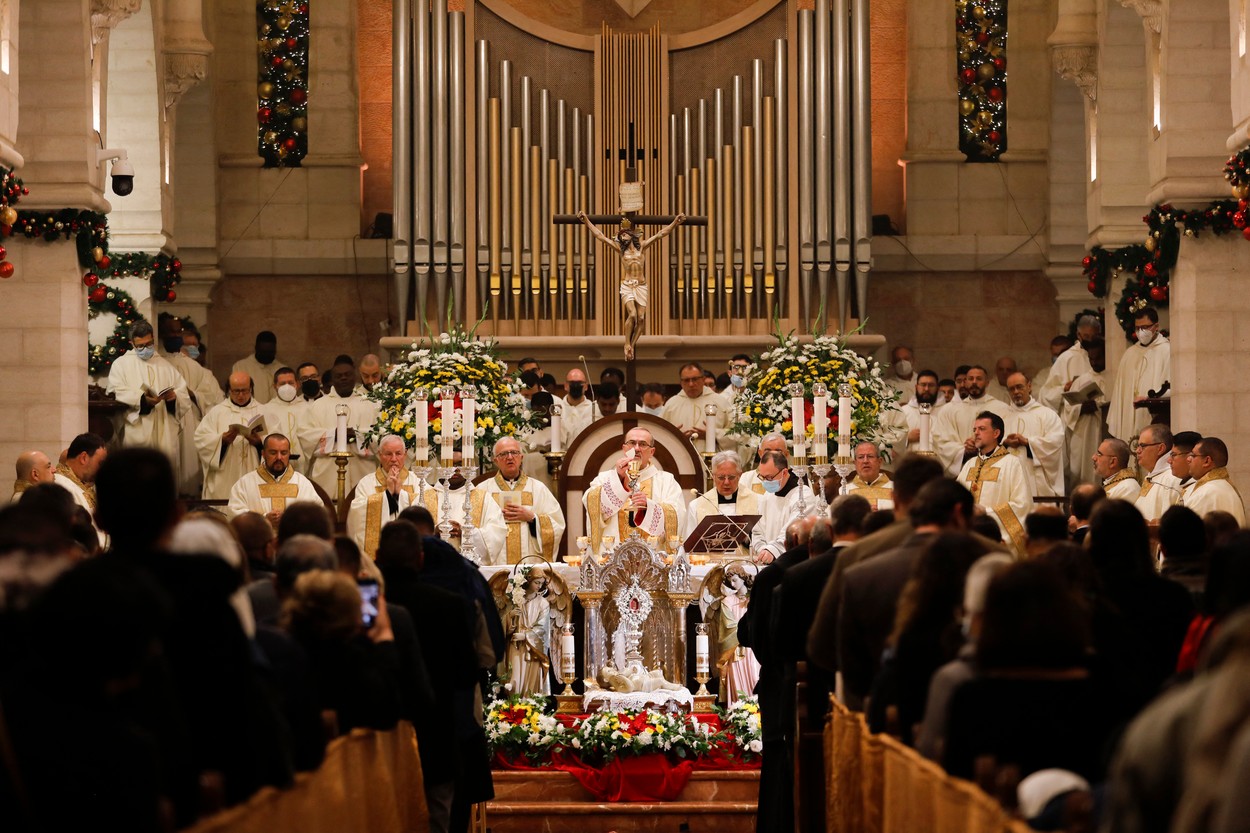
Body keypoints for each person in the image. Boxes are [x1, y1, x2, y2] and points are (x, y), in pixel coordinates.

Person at [837, 478, 985, 709]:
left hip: (887, 707)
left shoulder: (860, 574)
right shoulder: (991, 564)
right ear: (958, 514)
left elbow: (840, 658)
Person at [577, 209, 685, 360]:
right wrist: (586, 221)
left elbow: (661, 234)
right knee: (632, 314)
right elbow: (600, 236)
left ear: (631, 235)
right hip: (627, 285)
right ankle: (626, 342)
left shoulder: (643, 246)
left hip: (641, 285)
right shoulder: (621, 251)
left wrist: (675, 223)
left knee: (641, 318)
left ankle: (631, 346)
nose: (622, 237)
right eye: (621, 236)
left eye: (624, 234)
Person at [106, 319, 192, 478]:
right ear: (132, 343)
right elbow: (114, 392)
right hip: (136, 429)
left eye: (149, 344)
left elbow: (183, 394)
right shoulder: (121, 365)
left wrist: (173, 399)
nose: (146, 349)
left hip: (163, 430)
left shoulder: (165, 366)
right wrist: (142, 400)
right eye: (140, 346)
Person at [583, 426, 685, 553]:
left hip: (654, 559)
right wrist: (619, 480)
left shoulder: (667, 481)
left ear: (652, 452)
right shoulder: (605, 478)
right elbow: (592, 506)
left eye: (642, 444)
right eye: (632, 443)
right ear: (624, 448)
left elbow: (677, 515)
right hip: (612, 556)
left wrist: (648, 507)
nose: (636, 448)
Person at [299, 355, 381, 496]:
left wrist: (357, 434)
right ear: (332, 379)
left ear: (355, 377)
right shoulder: (318, 406)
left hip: (362, 472)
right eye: (339, 376)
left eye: (347, 375)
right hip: (327, 475)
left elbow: (381, 436)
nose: (343, 378)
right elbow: (305, 436)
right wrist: (333, 435)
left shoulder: (370, 405)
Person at [1039, 315, 1106, 484]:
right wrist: (1064, 389)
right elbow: (1045, 395)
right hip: (1078, 425)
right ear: (1078, 334)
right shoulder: (1066, 358)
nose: (1089, 340)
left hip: (1101, 423)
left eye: (1093, 336)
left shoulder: (1107, 354)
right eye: (1086, 336)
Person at [475, 436, 565, 563]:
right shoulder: (483, 490)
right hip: (496, 565)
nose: (510, 457)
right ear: (496, 460)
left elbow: (557, 525)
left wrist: (532, 518)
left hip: (529, 564)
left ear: (521, 457)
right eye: (503, 454)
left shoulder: (538, 489)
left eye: (514, 452)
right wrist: (496, 519)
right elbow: (473, 530)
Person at [957, 411, 1033, 555]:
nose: (976, 433)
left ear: (996, 433)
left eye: (982, 429)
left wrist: (986, 512)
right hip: (968, 538)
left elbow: (1022, 505)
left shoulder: (1012, 464)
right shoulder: (969, 464)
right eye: (974, 429)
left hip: (995, 540)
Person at [346, 433, 428, 559]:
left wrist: (400, 493)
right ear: (380, 455)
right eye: (388, 454)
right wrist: (388, 494)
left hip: (410, 550)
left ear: (405, 454)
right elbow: (357, 513)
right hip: (378, 551)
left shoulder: (418, 481)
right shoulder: (366, 483)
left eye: (398, 453)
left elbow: (427, 507)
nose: (394, 459)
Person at [423, 452, 509, 563]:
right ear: (442, 467)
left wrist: (465, 533)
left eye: (460, 464)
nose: (455, 469)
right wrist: (434, 531)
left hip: (470, 567)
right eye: (450, 464)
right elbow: (413, 531)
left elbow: (496, 531)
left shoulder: (483, 497)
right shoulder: (425, 497)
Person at [194, 372, 266, 500]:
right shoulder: (216, 412)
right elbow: (201, 439)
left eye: (244, 390)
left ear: (251, 389)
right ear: (228, 390)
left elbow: (277, 441)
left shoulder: (264, 411)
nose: (241, 395)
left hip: (254, 471)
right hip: (225, 477)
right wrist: (222, 441)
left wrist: (259, 443)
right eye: (236, 391)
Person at [931, 365, 1010, 476]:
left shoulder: (1002, 408)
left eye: (979, 379)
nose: (974, 382)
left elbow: (1006, 437)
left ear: (987, 383)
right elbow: (941, 440)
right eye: (970, 379)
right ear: (965, 382)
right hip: (962, 470)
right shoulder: (950, 410)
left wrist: (984, 445)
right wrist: (963, 450)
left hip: (993, 470)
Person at [227, 433, 322, 524]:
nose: (279, 457)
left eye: (284, 453)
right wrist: (264, 519)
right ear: (263, 454)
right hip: (261, 535)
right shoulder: (245, 483)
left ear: (289, 454)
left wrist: (289, 519)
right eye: (273, 453)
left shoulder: (302, 483)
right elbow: (234, 513)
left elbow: (316, 513)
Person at [1108, 306, 1170, 442]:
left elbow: (1171, 388)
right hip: (1129, 417)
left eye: (1145, 327)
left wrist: (1148, 398)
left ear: (1156, 327)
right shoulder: (1129, 353)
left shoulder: (1166, 351)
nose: (1141, 332)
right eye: (1137, 328)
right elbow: (1119, 392)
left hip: (1153, 416)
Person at [1003, 371, 1066, 497]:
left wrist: (1028, 442)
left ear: (1029, 386)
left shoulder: (1047, 415)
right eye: (1011, 389)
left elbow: (1055, 443)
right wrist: (1005, 443)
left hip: (1037, 480)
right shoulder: (1002, 416)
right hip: (1009, 477)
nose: (1016, 392)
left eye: (1019, 387)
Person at [749, 450, 816, 563]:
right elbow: (757, 532)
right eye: (762, 477)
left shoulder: (802, 495)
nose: (765, 482)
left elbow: (794, 532)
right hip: (767, 561)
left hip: (793, 562)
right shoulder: (767, 495)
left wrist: (772, 550)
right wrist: (762, 550)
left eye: (769, 477)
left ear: (784, 472)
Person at [52, 432, 108, 546]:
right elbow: (76, 534)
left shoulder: (83, 484)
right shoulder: (61, 486)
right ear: (84, 458)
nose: (102, 469)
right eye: (100, 463)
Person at [661, 362, 731, 449]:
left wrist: (713, 435)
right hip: (681, 455)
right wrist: (676, 437)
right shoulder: (671, 404)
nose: (691, 384)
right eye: (686, 380)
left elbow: (735, 435)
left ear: (703, 379)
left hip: (713, 456)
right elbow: (660, 435)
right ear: (681, 382)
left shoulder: (720, 402)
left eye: (695, 379)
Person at [687, 450, 760, 531]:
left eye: (731, 477)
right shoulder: (696, 506)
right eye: (721, 478)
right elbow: (691, 537)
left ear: (739, 475)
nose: (726, 482)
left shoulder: (757, 502)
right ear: (713, 476)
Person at [1183, 436, 1247, 525]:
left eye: (1193, 455)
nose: (1188, 459)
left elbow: (1186, 529)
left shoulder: (1205, 493)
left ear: (1207, 461)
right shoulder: (1231, 488)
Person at [262, 366, 311, 471]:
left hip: (304, 465)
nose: (287, 387)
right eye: (282, 384)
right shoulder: (266, 410)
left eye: (290, 383)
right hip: (277, 464)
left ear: (297, 384)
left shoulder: (308, 408)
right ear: (275, 386)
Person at [1135, 423, 1184, 521]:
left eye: (1142, 446)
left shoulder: (1172, 479)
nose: (1137, 451)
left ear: (1160, 448)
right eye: (1137, 446)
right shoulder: (1152, 477)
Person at [232, 330, 286, 404]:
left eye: (270, 352)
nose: (266, 355)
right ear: (256, 348)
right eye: (263, 352)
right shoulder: (241, 367)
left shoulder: (282, 370)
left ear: (275, 350)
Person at [844, 441, 893, 510]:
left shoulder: (895, 489)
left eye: (870, 456)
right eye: (861, 457)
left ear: (879, 461)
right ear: (855, 463)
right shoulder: (844, 490)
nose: (865, 461)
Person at [558, 367, 596, 448]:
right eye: (572, 383)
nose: (576, 386)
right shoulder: (558, 408)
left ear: (586, 386)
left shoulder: (593, 409)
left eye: (579, 383)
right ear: (565, 386)